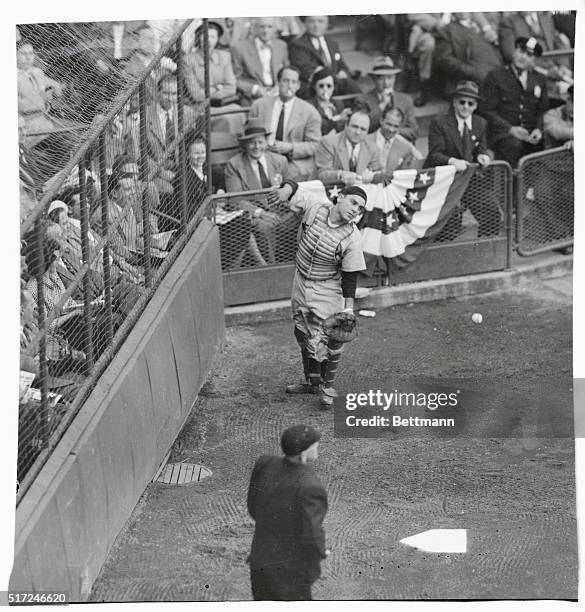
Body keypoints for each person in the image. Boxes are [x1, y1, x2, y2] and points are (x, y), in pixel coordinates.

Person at [272, 180, 367, 407]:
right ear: (340, 196)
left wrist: (348, 308)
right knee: (303, 332)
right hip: (301, 279)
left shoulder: (352, 237)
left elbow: (351, 276)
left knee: (327, 337)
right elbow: (294, 186)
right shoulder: (316, 206)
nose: (356, 209)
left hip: (327, 286)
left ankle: (327, 387)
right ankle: (311, 382)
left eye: (360, 208)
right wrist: (286, 189)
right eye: (353, 202)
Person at [247, 424, 328, 600]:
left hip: (260, 561)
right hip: (290, 573)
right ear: (304, 454)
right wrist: (320, 552)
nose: (318, 448)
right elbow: (312, 534)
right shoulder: (311, 487)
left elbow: (253, 508)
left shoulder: (265, 463)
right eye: (315, 446)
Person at [427, 80, 500, 240]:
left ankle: (484, 250)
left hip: (468, 180)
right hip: (443, 180)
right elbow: (434, 155)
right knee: (450, 220)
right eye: (462, 102)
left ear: (475, 106)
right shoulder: (440, 123)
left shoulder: (480, 123)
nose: (466, 106)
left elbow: (481, 148)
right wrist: (452, 161)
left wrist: (483, 156)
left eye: (470, 103)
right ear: (454, 102)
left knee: (491, 210)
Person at [225, 118, 296, 264]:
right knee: (265, 227)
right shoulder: (234, 164)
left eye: (260, 142)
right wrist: (261, 213)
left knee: (305, 216)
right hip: (257, 215)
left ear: (266, 142)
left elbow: (292, 187)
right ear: (245, 145)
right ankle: (271, 269)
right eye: (252, 142)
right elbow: (235, 201)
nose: (256, 146)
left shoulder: (280, 160)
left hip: (282, 211)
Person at [480, 37, 548, 168]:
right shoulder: (495, 76)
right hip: (501, 134)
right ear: (514, 51)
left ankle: (530, 188)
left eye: (529, 55)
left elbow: (541, 109)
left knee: (541, 146)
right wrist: (509, 129)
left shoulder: (539, 79)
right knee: (513, 145)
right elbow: (486, 110)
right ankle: (510, 187)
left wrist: (538, 129)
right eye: (521, 51)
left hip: (528, 134)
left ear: (533, 60)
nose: (523, 57)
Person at [248, 66, 322, 181]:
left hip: (293, 161)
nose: (289, 85)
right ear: (278, 83)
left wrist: (290, 147)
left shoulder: (310, 112)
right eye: (285, 80)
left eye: (293, 82)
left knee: (284, 177)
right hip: (263, 155)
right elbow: (249, 135)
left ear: (298, 86)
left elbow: (315, 145)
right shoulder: (259, 105)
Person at [289, 15, 361, 99]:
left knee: (351, 87)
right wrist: (333, 76)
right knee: (348, 85)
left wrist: (344, 72)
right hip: (313, 87)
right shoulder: (298, 45)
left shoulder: (332, 44)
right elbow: (304, 67)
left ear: (327, 24)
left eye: (320, 21)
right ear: (305, 23)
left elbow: (340, 64)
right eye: (312, 21)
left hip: (334, 84)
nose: (316, 25)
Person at [434, 12, 503, 96]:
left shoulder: (483, 27)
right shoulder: (448, 30)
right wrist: (474, 72)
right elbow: (445, 60)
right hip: (474, 80)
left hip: (496, 72)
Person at [356, 56, 418, 141]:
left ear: (395, 78)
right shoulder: (362, 100)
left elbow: (413, 132)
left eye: (390, 78)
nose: (386, 83)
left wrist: (392, 131)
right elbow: (361, 127)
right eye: (381, 79)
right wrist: (382, 105)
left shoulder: (405, 100)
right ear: (374, 80)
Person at [230, 16, 290, 105]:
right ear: (254, 28)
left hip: (278, 93)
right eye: (262, 27)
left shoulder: (281, 45)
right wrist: (255, 89)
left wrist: (280, 87)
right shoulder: (239, 48)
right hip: (252, 96)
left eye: (269, 27)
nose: (265, 31)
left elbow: (287, 72)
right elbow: (236, 79)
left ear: (275, 29)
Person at [315, 110, 382, 186]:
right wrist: (340, 174)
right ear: (346, 125)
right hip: (331, 191)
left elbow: (378, 174)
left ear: (367, 131)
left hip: (358, 193)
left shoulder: (373, 148)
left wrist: (373, 175)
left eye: (363, 129)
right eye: (354, 127)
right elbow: (321, 174)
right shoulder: (328, 142)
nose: (358, 132)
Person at [366, 106, 424, 173]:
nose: (391, 130)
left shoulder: (405, 148)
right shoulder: (365, 141)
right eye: (389, 124)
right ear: (381, 120)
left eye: (396, 126)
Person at [308, 67, 352, 136]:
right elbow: (319, 127)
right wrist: (339, 118)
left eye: (329, 86)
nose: (325, 89)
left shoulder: (338, 104)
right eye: (321, 86)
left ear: (333, 88)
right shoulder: (309, 105)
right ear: (314, 87)